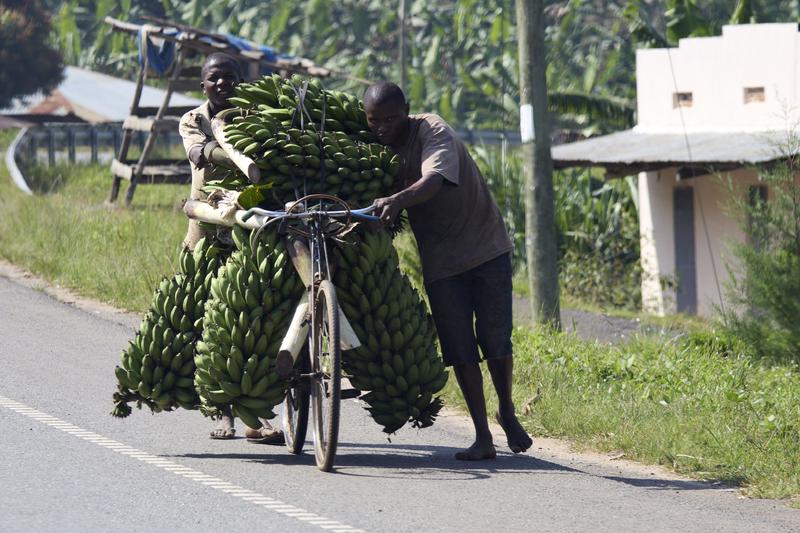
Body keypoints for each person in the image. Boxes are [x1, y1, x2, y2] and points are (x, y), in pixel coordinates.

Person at [365, 82, 533, 461]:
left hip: (485, 247)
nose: (382, 128)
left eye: (391, 118)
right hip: (440, 260)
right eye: (374, 120)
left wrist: (396, 199)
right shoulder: (374, 144)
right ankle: (481, 435)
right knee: (458, 347)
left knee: (495, 339)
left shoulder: (433, 130)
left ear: (406, 110)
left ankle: (506, 408)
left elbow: (433, 181)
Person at [178, 52, 283, 445]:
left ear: (242, 81)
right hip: (208, 229)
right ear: (203, 84)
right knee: (213, 324)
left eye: (230, 77)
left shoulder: (258, 113)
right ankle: (222, 413)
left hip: (252, 227)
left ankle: (257, 417)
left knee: (256, 322)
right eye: (214, 78)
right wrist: (242, 153)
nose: (223, 84)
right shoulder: (193, 120)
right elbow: (198, 153)